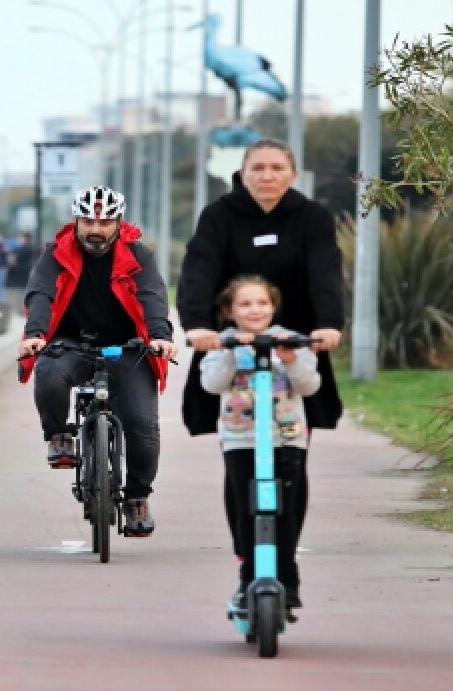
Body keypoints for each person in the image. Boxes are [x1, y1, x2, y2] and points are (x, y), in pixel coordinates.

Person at [176, 138, 345, 587]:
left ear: (292, 173)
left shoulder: (312, 218)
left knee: (293, 465)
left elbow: (325, 272)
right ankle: (244, 559)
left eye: (276, 168)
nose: (267, 176)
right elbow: (198, 271)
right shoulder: (219, 217)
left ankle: (284, 562)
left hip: (296, 349)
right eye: (258, 168)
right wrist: (196, 327)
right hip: (233, 350)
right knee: (240, 472)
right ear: (243, 172)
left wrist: (328, 325)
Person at [18, 185, 178, 537]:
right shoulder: (55, 255)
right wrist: (36, 335)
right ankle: (59, 437)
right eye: (88, 220)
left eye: (105, 221)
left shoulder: (139, 256)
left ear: (118, 223)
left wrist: (160, 337)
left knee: (142, 424)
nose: (96, 228)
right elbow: (40, 295)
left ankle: (137, 499)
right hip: (70, 342)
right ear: (76, 221)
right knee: (49, 373)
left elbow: (153, 298)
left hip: (129, 347)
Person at [199, 276, 320, 611]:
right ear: (229, 310)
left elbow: (309, 387)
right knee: (245, 508)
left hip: (287, 439)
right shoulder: (222, 344)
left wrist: (292, 358)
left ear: (273, 306)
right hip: (242, 441)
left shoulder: (292, 343)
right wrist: (229, 351)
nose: (255, 310)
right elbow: (212, 384)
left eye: (262, 303)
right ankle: (248, 576)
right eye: (245, 304)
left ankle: (288, 580)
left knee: (288, 509)